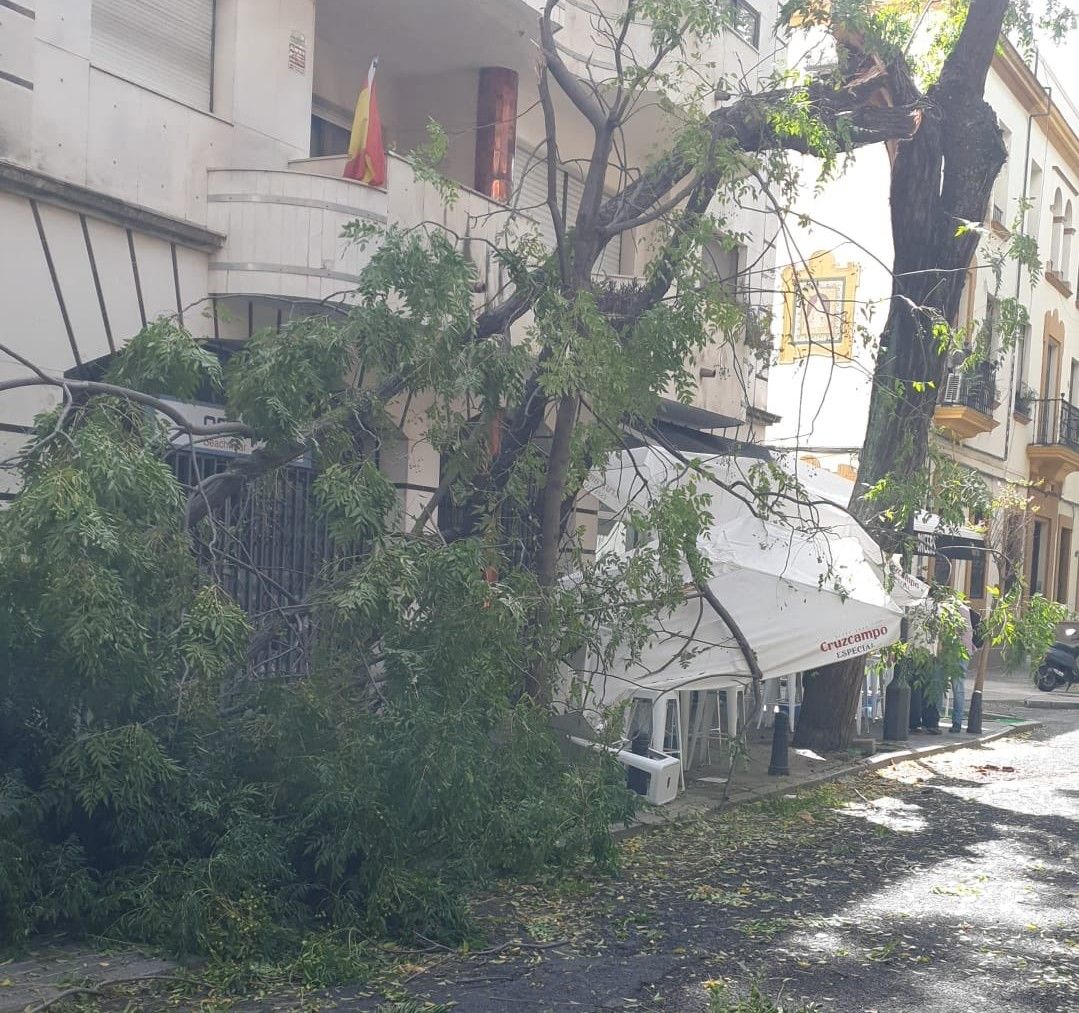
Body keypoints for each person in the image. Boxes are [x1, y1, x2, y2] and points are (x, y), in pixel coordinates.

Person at [949, 603, 977, 733]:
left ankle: (955, 722)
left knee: (952, 686)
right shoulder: (964, 609)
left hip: (956, 652)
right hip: (964, 651)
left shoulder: (953, 609)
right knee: (958, 687)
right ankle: (957, 722)